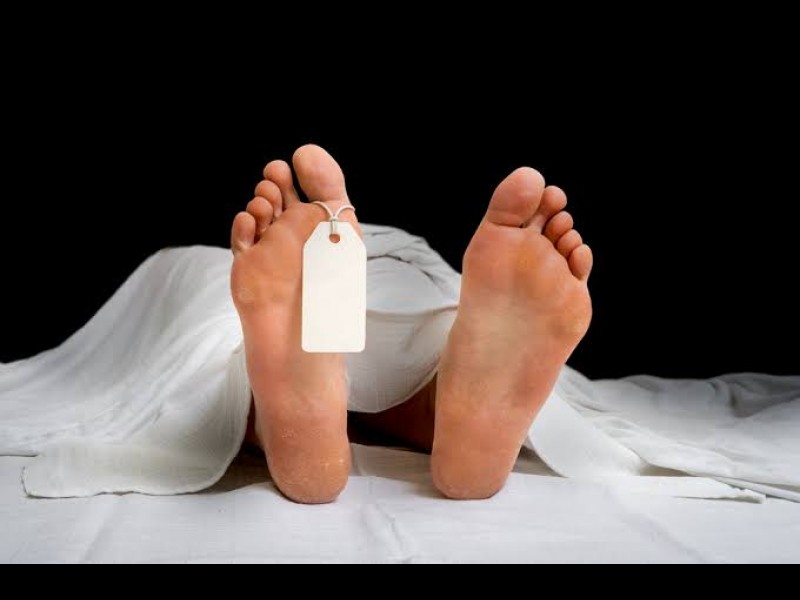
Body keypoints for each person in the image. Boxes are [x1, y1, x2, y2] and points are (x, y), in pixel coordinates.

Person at [232, 145, 593, 504]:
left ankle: (275, 425)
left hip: (330, 287)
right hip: (413, 297)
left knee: (221, 350)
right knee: (431, 316)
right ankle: (435, 413)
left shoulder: (267, 246)